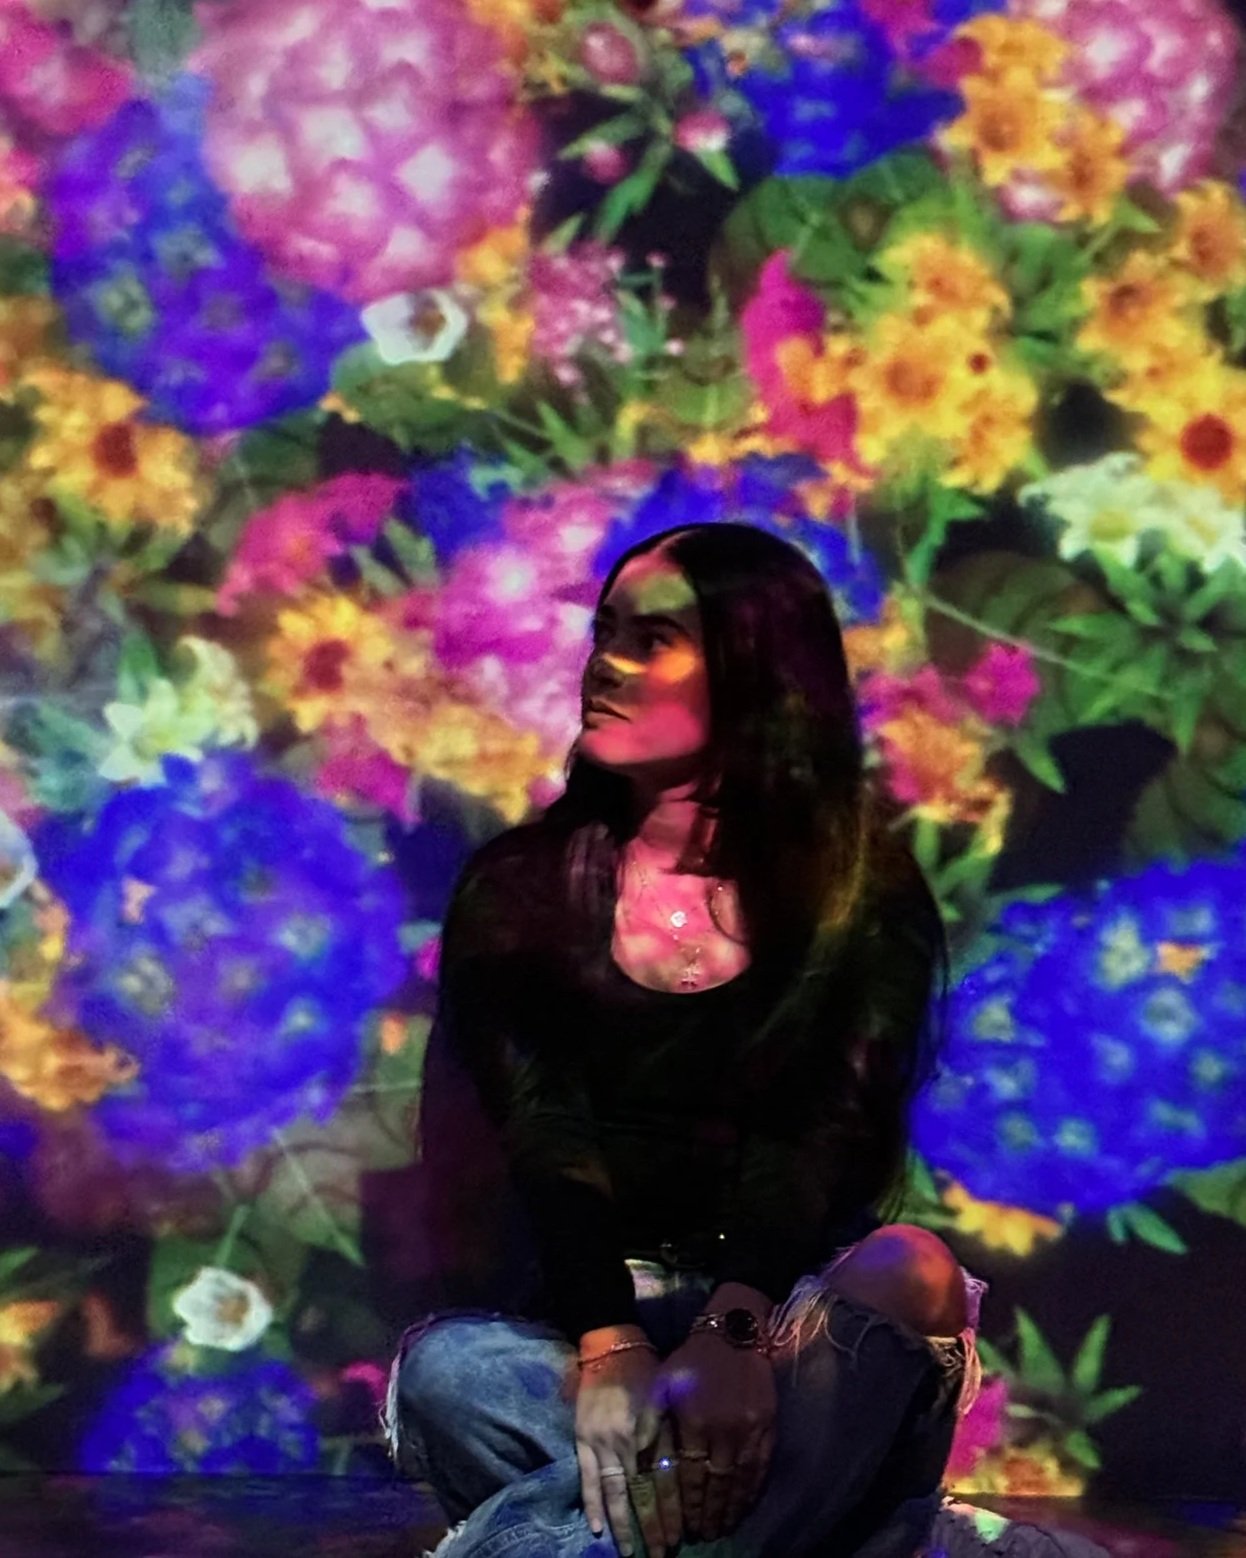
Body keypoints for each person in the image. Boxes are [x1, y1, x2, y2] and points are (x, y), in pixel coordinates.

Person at [384, 521, 986, 1558]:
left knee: (911, 1271)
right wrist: (613, 1345)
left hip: (782, 1330)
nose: (604, 666)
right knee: (451, 1372)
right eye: (603, 632)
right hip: (582, 1329)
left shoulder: (860, 892)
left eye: (651, 639)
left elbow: (821, 1132)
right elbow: (545, 1131)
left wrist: (734, 1335)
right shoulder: (519, 887)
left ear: (755, 672)